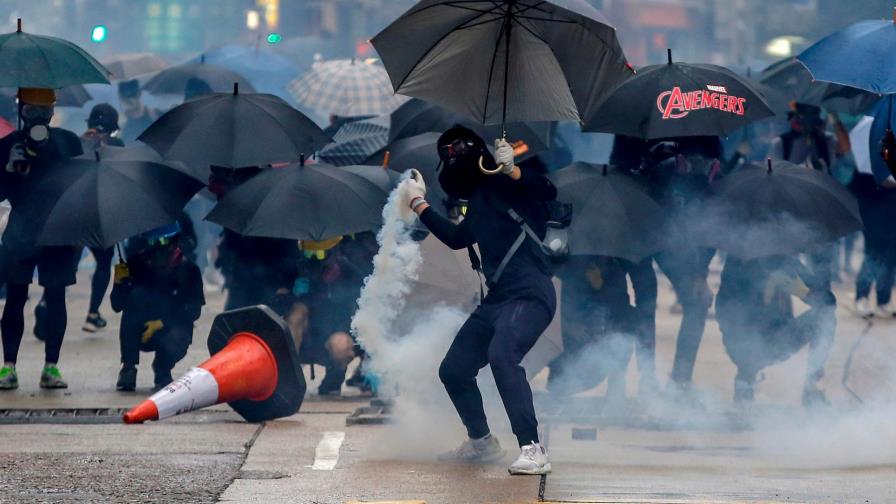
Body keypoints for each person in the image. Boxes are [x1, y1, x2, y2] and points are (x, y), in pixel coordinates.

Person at [401, 124, 558, 475]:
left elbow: (547, 190)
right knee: (454, 369)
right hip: (499, 299)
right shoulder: (481, 199)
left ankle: (533, 448)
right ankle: (481, 442)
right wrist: (418, 204)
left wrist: (513, 169)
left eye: (459, 153)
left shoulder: (506, 184)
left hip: (530, 293)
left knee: (503, 356)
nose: (454, 160)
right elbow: (458, 238)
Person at [0, 88, 83, 390]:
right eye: (31, 109)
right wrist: (9, 169)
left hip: (58, 232)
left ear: (52, 111)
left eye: (43, 109)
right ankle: (8, 366)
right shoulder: (9, 145)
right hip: (21, 232)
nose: (37, 116)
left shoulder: (67, 143)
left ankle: (52, 366)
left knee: (56, 297)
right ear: (21, 110)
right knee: (15, 299)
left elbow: (80, 187)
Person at [642, 137, 721, 392]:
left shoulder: (712, 180)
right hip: (646, 239)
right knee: (643, 302)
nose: (700, 165)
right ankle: (646, 378)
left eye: (705, 161)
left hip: (679, 249)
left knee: (698, 302)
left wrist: (700, 273)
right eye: (694, 160)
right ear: (681, 159)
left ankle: (680, 379)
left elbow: (711, 231)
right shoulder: (660, 173)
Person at [715, 254, 836, 407]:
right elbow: (725, 311)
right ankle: (745, 381)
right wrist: (766, 292)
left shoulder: (784, 259)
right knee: (746, 343)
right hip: (744, 345)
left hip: (779, 338)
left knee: (825, 318)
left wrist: (805, 292)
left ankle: (812, 386)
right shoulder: (737, 263)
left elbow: (828, 302)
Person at [110, 223, 204, 391]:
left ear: (174, 242)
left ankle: (162, 369)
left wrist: (162, 323)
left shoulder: (189, 269)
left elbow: (194, 310)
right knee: (135, 295)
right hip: (140, 330)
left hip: (170, 331)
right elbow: (117, 305)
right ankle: (128, 367)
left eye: (162, 241)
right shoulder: (136, 264)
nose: (157, 248)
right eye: (152, 242)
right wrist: (119, 283)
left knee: (177, 336)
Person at [80, 103, 123, 332]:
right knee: (104, 263)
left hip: (74, 212)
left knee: (65, 263)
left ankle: (47, 304)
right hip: (102, 214)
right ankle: (93, 312)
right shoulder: (117, 146)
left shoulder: (78, 143)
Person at [852, 173, 896, 317]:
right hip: (871, 203)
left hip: (892, 204)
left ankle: (883, 300)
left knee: (890, 256)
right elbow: (859, 180)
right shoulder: (871, 155)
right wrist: (882, 181)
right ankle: (862, 296)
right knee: (873, 253)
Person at [117, 79, 160, 144]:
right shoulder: (120, 123)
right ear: (120, 97)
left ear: (139, 93)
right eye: (125, 96)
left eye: (132, 95)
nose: (129, 99)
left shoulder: (155, 114)